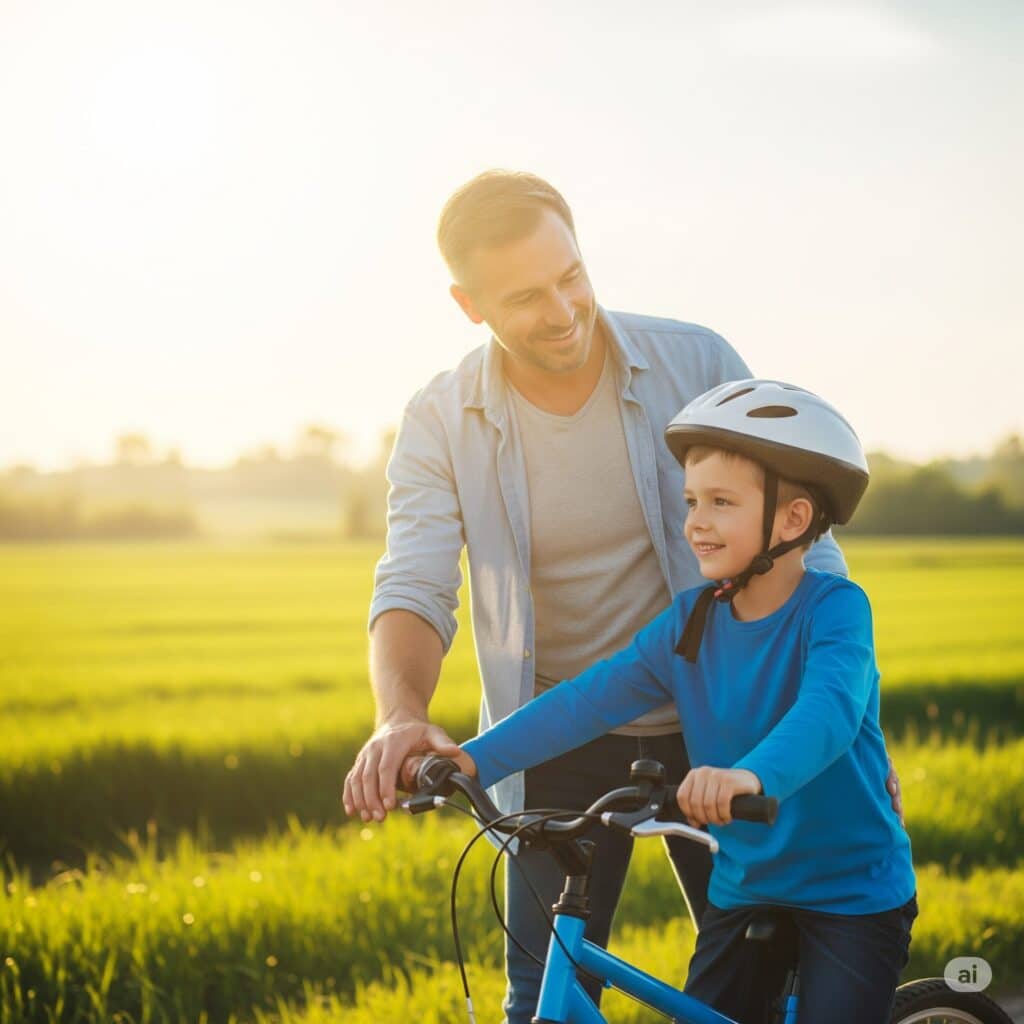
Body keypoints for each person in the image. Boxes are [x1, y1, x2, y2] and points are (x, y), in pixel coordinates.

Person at [342, 170, 903, 1023]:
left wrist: (846, 739)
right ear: (469, 305)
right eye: (527, 296)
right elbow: (415, 579)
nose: (564, 311)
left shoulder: (697, 361)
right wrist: (413, 722)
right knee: (545, 993)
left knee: (766, 963)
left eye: (571, 276)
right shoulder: (442, 418)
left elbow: (810, 561)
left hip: (738, 725)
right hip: (564, 725)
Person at [414, 379, 917, 1023]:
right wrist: (473, 760)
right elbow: (586, 701)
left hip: (851, 894)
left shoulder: (836, 609)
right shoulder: (690, 624)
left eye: (721, 502)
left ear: (792, 520)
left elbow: (830, 711)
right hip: (747, 890)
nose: (696, 522)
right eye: (691, 501)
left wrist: (749, 775)